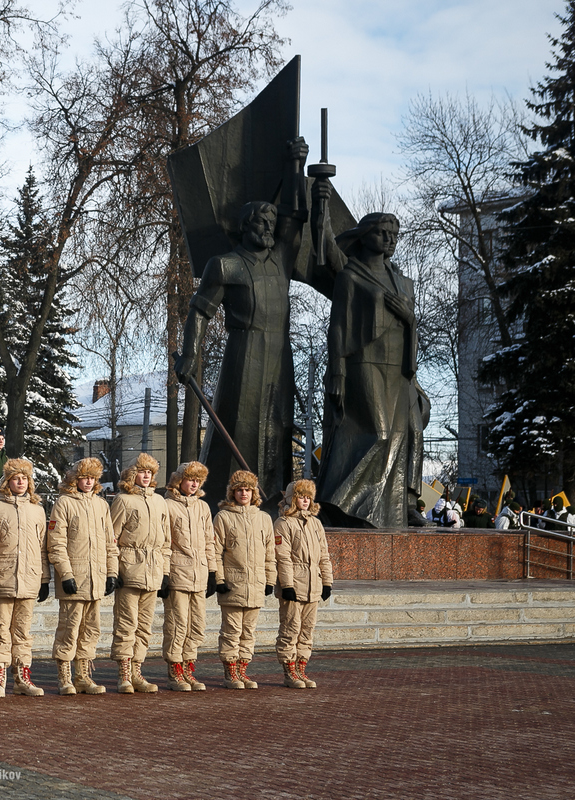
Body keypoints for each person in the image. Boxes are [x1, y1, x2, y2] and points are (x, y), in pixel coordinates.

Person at [173, 138, 313, 507]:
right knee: (240, 422)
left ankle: (274, 496)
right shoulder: (225, 265)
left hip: (281, 353)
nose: (269, 227)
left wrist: (295, 167)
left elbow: (297, 215)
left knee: (276, 427)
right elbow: (200, 311)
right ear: (245, 226)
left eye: (271, 221)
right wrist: (189, 356)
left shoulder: (281, 258)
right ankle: (227, 495)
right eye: (261, 221)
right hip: (244, 349)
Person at [311, 179, 430, 529]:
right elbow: (339, 328)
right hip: (363, 362)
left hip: (400, 369)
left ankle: (402, 504)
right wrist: (337, 371)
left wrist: (410, 319)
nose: (390, 241)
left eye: (394, 236)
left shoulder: (403, 282)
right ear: (365, 236)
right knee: (377, 434)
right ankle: (341, 502)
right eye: (382, 234)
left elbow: (411, 324)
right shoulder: (352, 275)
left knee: (410, 432)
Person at [48, 457, 118, 696]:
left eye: (92, 478)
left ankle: (83, 675)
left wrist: (111, 572)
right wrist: (65, 574)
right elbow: (56, 543)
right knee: (69, 628)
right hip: (74, 578)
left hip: (96, 578)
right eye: (84, 477)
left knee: (91, 629)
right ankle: (64, 676)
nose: (88, 482)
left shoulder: (101, 505)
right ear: (74, 479)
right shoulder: (64, 503)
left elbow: (110, 542)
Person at [0, 458, 48, 697]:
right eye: (15, 478)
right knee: (1, 629)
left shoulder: (37, 510)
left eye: (24, 478)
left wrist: (44, 579)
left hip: (29, 578)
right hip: (2, 578)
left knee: (23, 631)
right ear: (7, 482)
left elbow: (43, 547)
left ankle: (22, 676)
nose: (20, 482)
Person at [109, 453, 170, 694]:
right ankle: (124, 672)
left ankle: (136, 670)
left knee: (144, 626)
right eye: (142, 472)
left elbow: (166, 541)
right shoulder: (123, 500)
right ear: (132, 475)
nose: (146, 477)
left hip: (153, 570)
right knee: (126, 624)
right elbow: (111, 538)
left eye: (150, 473)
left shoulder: (159, 502)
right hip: (130, 568)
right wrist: (115, 570)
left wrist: (165, 572)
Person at [214, 470, 275, 690]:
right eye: (239, 490)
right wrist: (219, 579)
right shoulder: (223, 517)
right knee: (231, 631)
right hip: (232, 583)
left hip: (256, 583)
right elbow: (216, 552)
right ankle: (230, 672)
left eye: (247, 489)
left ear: (254, 492)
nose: (243, 493)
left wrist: (270, 579)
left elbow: (270, 552)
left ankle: (242, 670)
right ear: (232, 493)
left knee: (248, 632)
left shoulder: (264, 518)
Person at [160, 461, 217, 691]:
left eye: (197, 481)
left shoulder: (203, 508)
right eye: (190, 479)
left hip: (199, 574)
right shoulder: (167, 505)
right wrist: (164, 573)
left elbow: (209, 542)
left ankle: (188, 667)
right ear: (179, 480)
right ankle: (175, 670)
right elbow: (164, 542)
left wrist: (213, 571)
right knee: (177, 624)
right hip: (178, 572)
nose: (193, 484)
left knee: (197, 625)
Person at [273, 479, 333, 690]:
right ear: (292, 498)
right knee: (291, 628)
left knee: (307, 630)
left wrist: (327, 581)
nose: (305, 500)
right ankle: (289, 670)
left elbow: (324, 555)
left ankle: (301, 667)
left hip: (313, 584)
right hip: (294, 585)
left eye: (308, 497)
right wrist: (287, 584)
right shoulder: (283, 523)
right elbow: (283, 557)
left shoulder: (315, 523)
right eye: (301, 496)